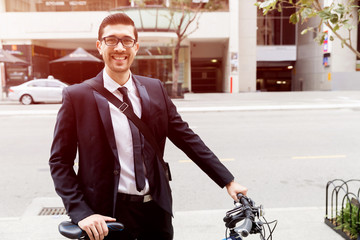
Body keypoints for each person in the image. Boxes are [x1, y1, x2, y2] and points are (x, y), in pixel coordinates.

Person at [49, 12, 247, 240]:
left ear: (136, 46)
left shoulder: (155, 89)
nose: (120, 48)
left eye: (127, 40)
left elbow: (187, 138)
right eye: (111, 40)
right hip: (107, 217)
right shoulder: (77, 96)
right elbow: (59, 162)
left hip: (156, 212)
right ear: (99, 46)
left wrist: (227, 181)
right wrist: (81, 212)